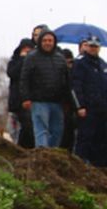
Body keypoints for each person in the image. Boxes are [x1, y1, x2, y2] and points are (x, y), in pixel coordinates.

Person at [20, 27, 70, 148]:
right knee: (41, 131)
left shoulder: (60, 59)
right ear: (40, 41)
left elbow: (67, 81)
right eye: (45, 40)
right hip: (39, 101)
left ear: (54, 42)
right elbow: (24, 79)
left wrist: (67, 100)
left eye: (50, 40)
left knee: (57, 131)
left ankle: (52, 156)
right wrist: (25, 98)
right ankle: (42, 155)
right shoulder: (32, 57)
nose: (47, 43)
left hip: (57, 102)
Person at [71, 36, 107, 166]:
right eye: (91, 46)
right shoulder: (80, 63)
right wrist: (80, 106)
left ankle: (100, 168)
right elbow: (75, 86)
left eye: (95, 46)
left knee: (101, 140)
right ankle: (79, 166)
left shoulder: (103, 64)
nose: (93, 49)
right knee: (85, 139)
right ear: (87, 47)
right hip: (87, 109)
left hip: (102, 110)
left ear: (99, 48)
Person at [7, 37, 36, 147]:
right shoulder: (14, 61)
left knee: (29, 127)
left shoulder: (35, 62)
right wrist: (22, 59)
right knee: (17, 129)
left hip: (30, 100)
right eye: (24, 49)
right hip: (16, 101)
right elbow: (12, 73)